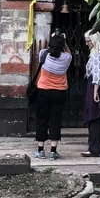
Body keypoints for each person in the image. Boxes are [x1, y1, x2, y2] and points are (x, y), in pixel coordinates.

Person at [34, 32, 71, 161]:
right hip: (59, 92)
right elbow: (68, 53)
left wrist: (53, 38)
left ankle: (40, 150)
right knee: (55, 120)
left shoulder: (43, 54)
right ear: (62, 47)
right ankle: (53, 152)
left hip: (43, 90)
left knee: (42, 119)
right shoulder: (67, 58)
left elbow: (46, 49)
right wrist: (64, 41)